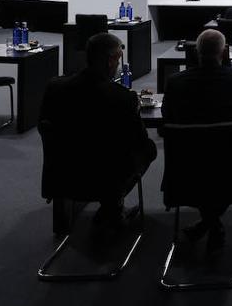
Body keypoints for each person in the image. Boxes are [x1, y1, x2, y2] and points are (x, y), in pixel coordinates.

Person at [161, 29, 232, 252]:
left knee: (202, 172)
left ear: (196, 52)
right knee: (221, 167)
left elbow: (166, 116)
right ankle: (211, 222)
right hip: (231, 169)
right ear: (224, 52)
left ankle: (207, 222)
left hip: (184, 170)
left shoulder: (175, 82)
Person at [39, 32, 157, 232]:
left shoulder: (55, 87)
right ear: (111, 61)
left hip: (62, 175)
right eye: (119, 59)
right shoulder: (122, 97)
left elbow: (44, 127)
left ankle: (105, 209)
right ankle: (114, 206)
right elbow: (140, 141)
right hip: (105, 177)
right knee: (149, 150)